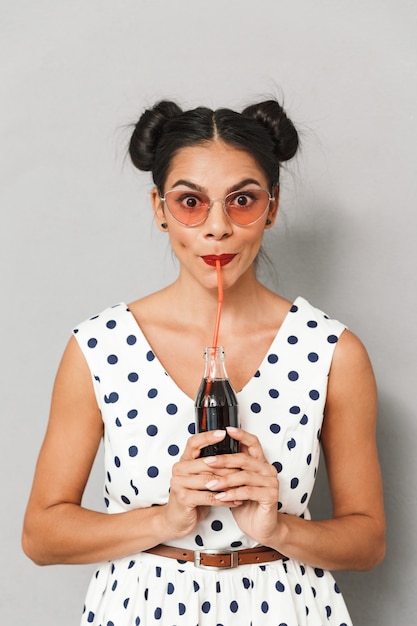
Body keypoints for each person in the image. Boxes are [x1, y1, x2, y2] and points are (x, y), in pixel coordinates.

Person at [22, 98, 386, 626]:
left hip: (286, 608)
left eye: (242, 200)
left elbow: (368, 542)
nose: (217, 227)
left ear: (274, 207)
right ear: (159, 210)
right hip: (142, 609)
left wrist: (278, 529)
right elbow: (41, 535)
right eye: (191, 202)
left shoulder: (333, 352)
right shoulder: (99, 345)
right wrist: (165, 518)